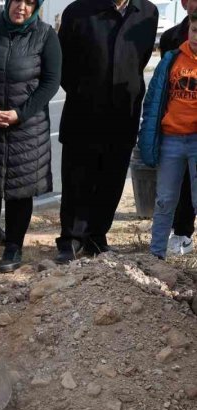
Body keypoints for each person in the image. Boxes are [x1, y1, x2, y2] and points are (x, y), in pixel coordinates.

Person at [54, 0, 158, 263]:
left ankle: (97, 236)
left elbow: (141, 59)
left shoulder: (146, 12)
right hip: (84, 112)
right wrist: (84, 91)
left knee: (111, 180)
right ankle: (71, 239)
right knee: (77, 179)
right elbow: (63, 65)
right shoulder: (78, 11)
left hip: (124, 114)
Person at [0, 0, 61, 274]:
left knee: (20, 191)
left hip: (26, 129)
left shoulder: (45, 35)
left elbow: (51, 82)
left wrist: (21, 113)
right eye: (18, 0)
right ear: (8, 3)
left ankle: (13, 247)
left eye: (30, 3)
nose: (22, 7)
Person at [138, 12, 197, 260]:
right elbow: (153, 101)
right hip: (171, 140)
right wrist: (148, 135)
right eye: (195, 31)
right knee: (164, 201)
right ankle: (156, 256)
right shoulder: (172, 60)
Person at [160, 0, 197, 255]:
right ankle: (180, 232)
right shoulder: (170, 38)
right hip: (176, 129)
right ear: (184, 3)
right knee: (175, 186)